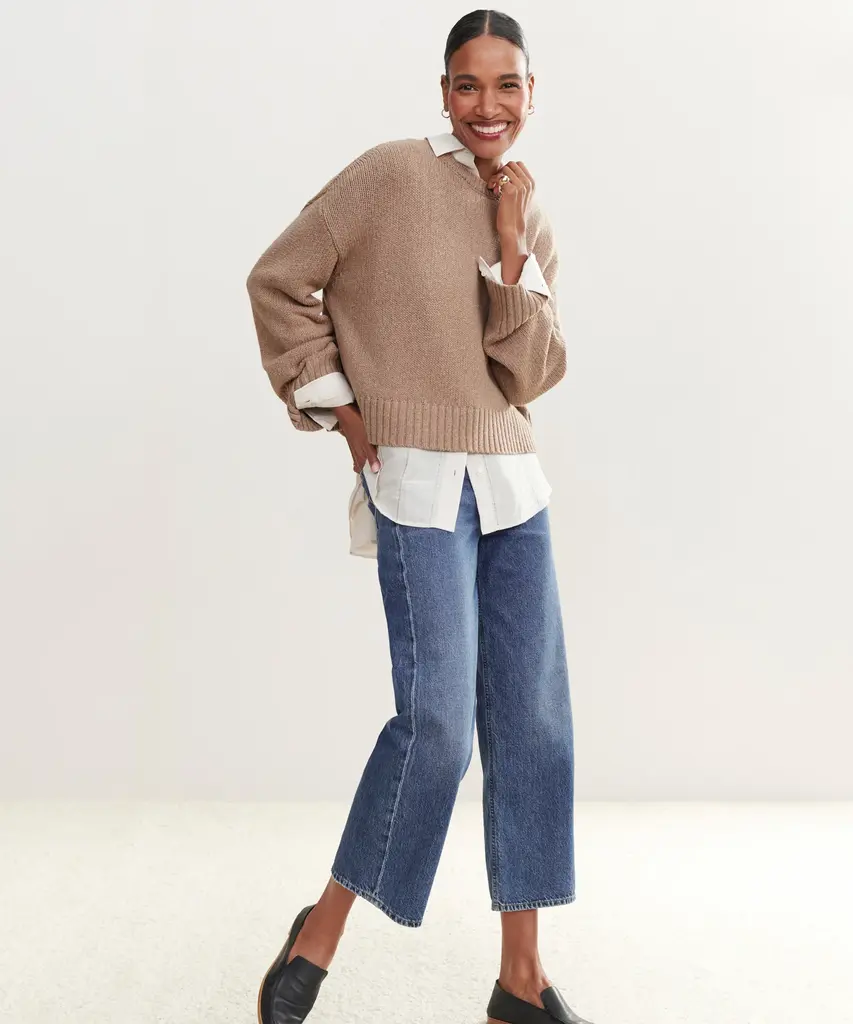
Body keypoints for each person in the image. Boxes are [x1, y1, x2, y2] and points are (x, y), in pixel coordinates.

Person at [246, 10, 593, 1024]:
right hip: (418, 486)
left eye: (507, 85)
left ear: (531, 94)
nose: (488, 105)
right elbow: (278, 280)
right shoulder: (390, 175)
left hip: (513, 489)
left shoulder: (526, 209)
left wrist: (508, 242)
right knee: (435, 724)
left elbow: (530, 373)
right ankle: (317, 934)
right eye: (468, 85)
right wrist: (343, 411)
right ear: (443, 92)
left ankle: (520, 980)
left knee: (531, 724)